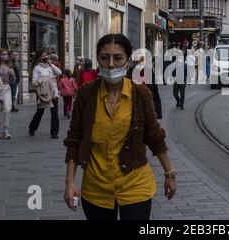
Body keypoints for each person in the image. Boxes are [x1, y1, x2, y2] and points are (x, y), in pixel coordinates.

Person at [63, 34, 176, 220]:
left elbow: (155, 137)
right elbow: (74, 139)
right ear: (98, 59)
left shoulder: (140, 93)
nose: (110, 64)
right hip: (96, 188)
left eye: (118, 58)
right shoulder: (86, 93)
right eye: (104, 57)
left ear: (127, 61)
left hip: (135, 185)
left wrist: (169, 174)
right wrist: (70, 182)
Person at [29, 50, 62, 139]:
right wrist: (44, 80)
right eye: (43, 56)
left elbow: (59, 73)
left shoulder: (50, 66)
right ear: (39, 58)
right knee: (40, 112)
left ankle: (54, 133)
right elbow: (34, 82)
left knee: (54, 113)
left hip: (53, 92)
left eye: (46, 55)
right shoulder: (37, 68)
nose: (45, 57)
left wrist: (51, 64)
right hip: (43, 93)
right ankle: (32, 128)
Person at [127, 54, 163, 119]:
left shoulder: (148, 70)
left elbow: (154, 87)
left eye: (138, 61)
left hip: (147, 93)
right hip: (136, 94)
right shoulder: (131, 70)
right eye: (135, 62)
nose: (137, 63)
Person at [0, 48, 16, 139]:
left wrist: (12, 73)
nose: (4, 56)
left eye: (6, 54)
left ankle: (5, 130)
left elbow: (13, 81)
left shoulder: (10, 65)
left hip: (6, 88)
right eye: (2, 54)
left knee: (7, 109)